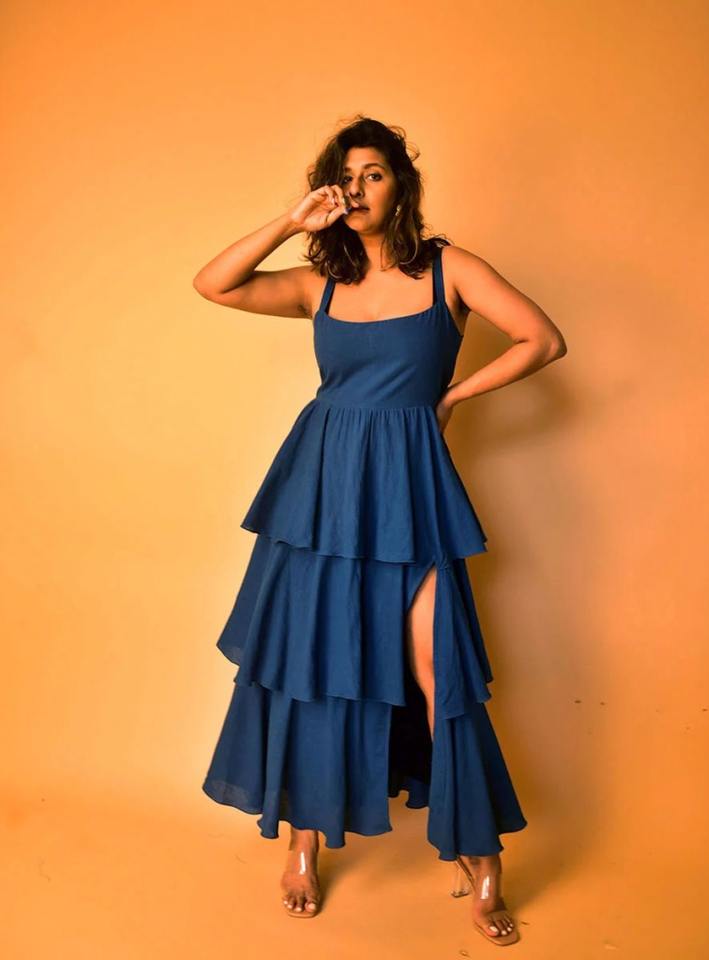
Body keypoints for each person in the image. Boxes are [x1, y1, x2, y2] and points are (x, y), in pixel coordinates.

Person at [193, 116, 567, 944]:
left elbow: (543, 340)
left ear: (402, 185)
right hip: (321, 491)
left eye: (373, 174)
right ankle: (302, 845)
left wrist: (453, 397)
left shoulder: (450, 270)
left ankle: (479, 855)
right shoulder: (317, 283)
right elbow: (213, 284)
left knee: (440, 671)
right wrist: (291, 222)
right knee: (313, 662)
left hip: (408, 491)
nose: (357, 189)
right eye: (344, 177)